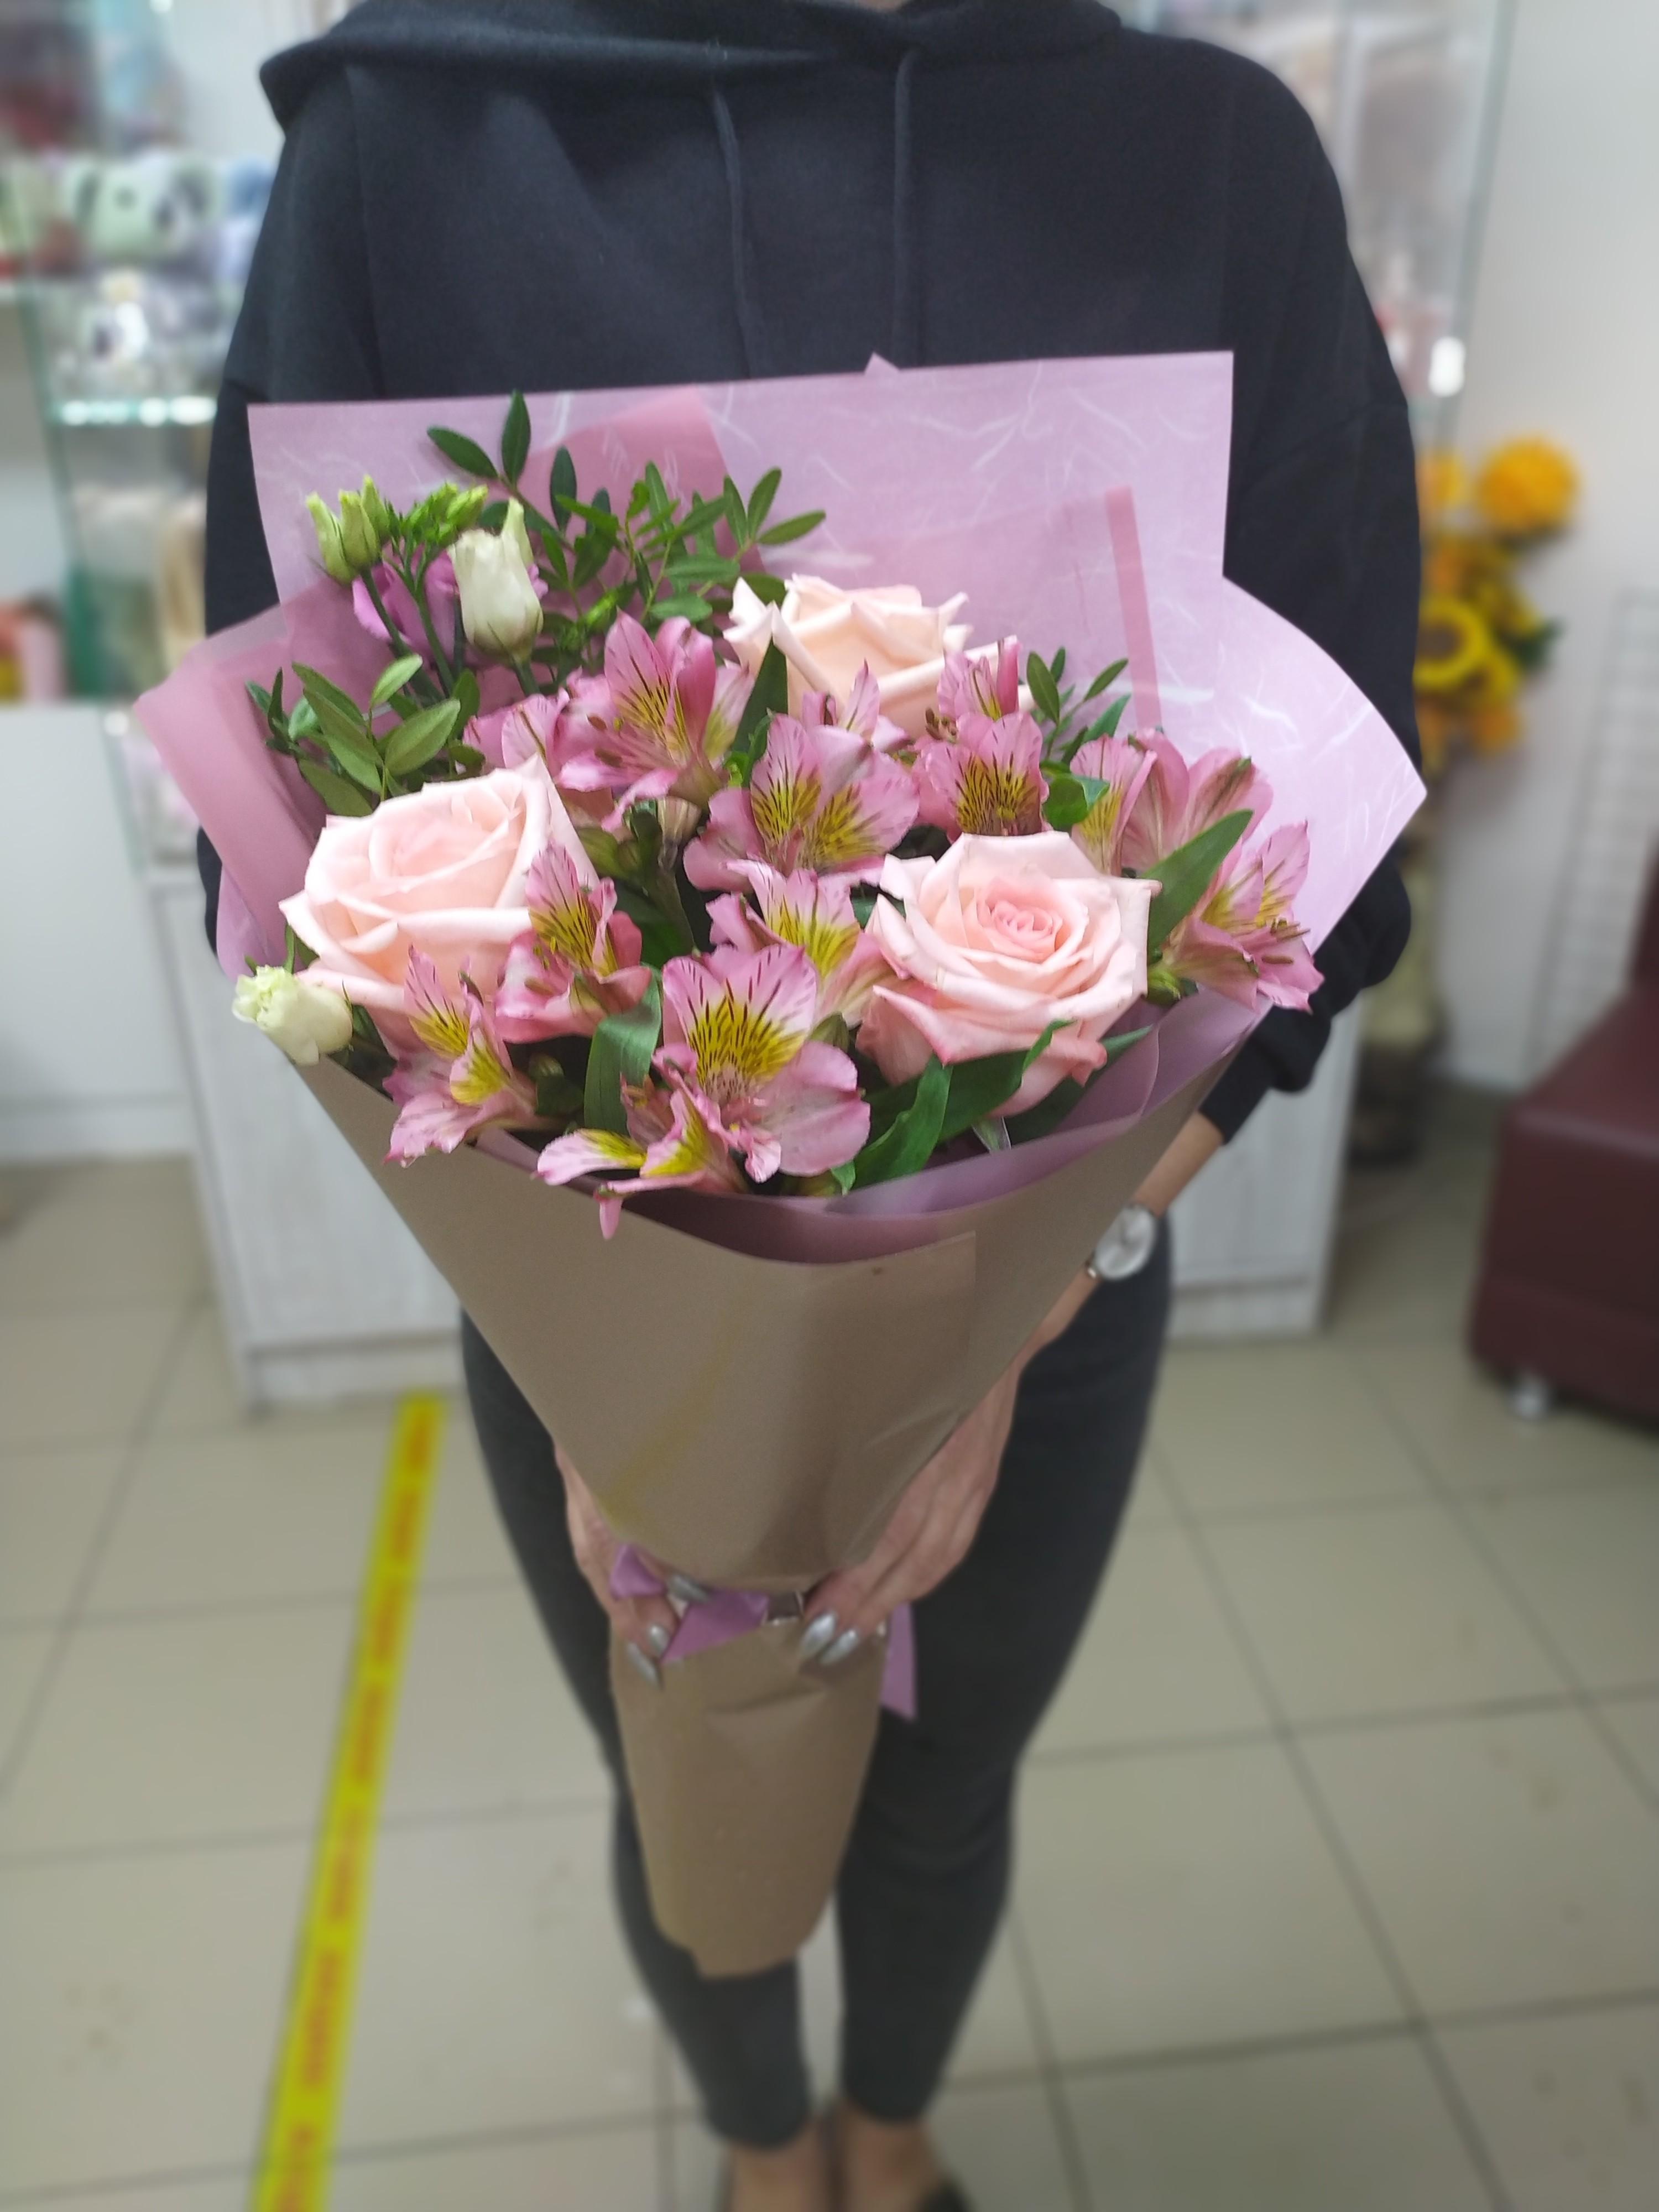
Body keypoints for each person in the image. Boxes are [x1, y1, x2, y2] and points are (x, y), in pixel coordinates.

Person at [203, 4, 1420, 2205]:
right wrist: (627, 1370)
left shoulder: (1212, 157)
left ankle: (894, 2135)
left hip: (1072, 1250)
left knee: (952, 1793)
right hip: (595, 1266)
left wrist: (1012, 1312)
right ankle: (771, 2160)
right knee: (686, 1752)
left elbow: (1338, 821)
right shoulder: (412, 141)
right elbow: (291, 784)